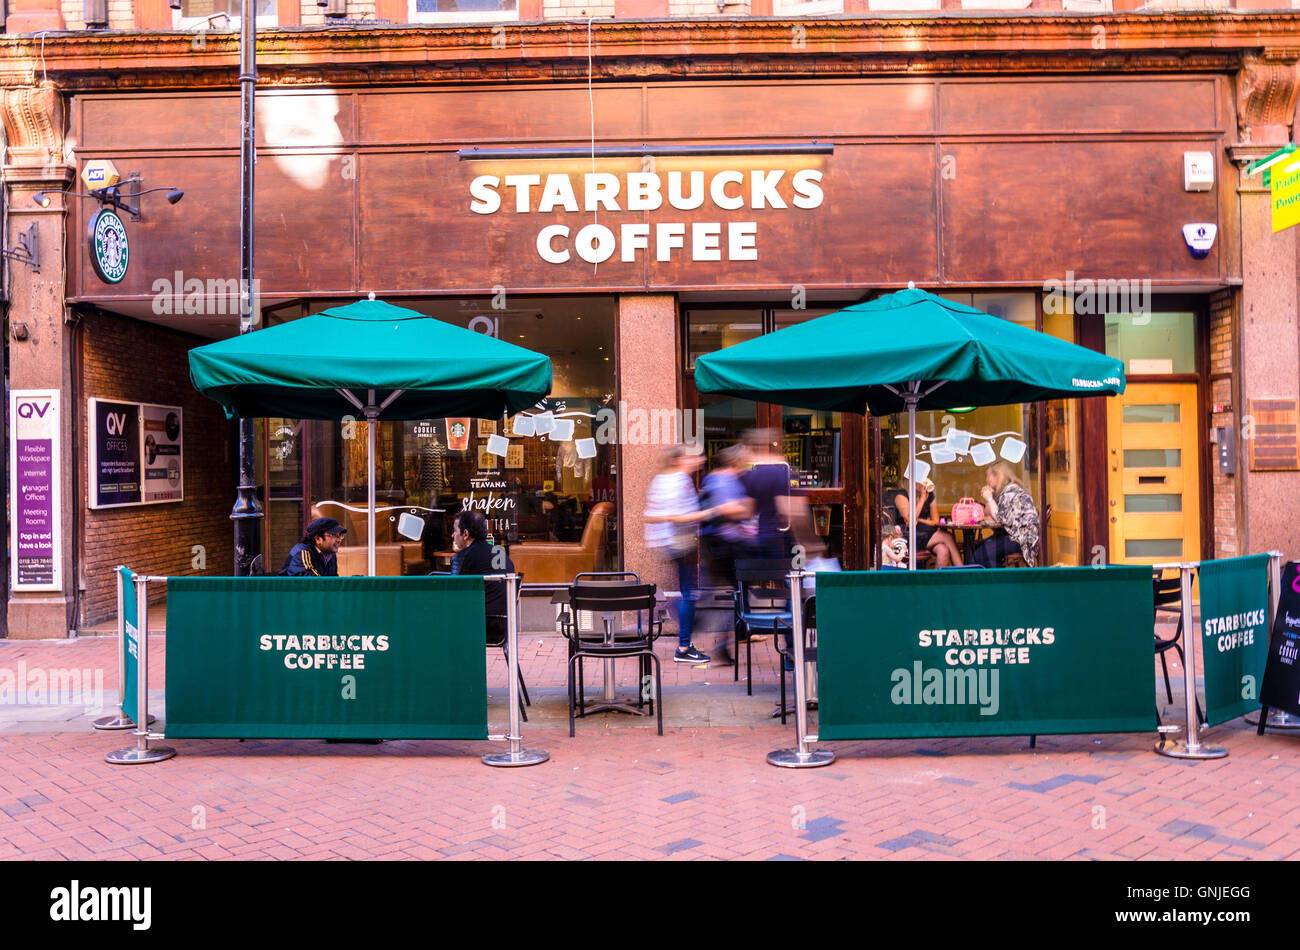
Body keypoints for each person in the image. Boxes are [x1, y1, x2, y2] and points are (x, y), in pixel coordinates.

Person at [645, 444, 718, 664]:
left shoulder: (659, 479)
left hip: (664, 542)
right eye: (691, 457)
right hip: (679, 542)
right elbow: (680, 516)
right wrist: (709, 512)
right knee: (692, 592)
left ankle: (679, 624)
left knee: (691, 590)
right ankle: (684, 647)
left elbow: (652, 514)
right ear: (678, 460)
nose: (697, 460)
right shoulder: (681, 481)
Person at [699, 444, 756, 665]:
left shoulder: (713, 479)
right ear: (734, 462)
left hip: (719, 542)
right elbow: (726, 509)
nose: (744, 467)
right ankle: (723, 639)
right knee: (733, 592)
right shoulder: (724, 479)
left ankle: (738, 631)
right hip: (727, 543)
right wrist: (750, 507)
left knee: (734, 591)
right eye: (743, 462)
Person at [450, 508, 515, 646]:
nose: (452, 535)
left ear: (465, 534)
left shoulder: (464, 556)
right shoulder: (499, 552)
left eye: (455, 531)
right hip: (505, 624)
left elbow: (454, 595)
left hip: (481, 626)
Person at [974, 460, 1040, 567]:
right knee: (982, 549)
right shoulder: (1005, 492)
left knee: (983, 552)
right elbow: (988, 514)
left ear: (997, 476)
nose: (986, 480)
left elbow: (999, 518)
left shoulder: (1010, 492)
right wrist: (989, 498)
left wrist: (990, 499)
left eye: (988, 476)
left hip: (1022, 540)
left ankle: (998, 581)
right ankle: (995, 580)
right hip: (1014, 536)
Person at [740, 428, 793, 559]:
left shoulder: (751, 474)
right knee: (780, 575)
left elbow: (748, 512)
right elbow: (785, 509)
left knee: (757, 575)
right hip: (775, 535)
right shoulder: (780, 471)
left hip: (759, 535)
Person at [893, 477, 962, 567]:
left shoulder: (929, 495)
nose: (923, 481)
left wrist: (920, 520)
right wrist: (921, 500)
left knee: (943, 550)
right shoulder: (901, 495)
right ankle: (963, 570)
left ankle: (934, 580)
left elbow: (935, 521)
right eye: (920, 478)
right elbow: (910, 521)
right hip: (908, 536)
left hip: (925, 535)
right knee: (947, 537)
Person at [278, 517, 345, 576]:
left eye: (340, 535)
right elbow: (312, 581)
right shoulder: (302, 552)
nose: (339, 540)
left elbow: (334, 581)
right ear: (318, 539)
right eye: (333, 535)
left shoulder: (330, 554)